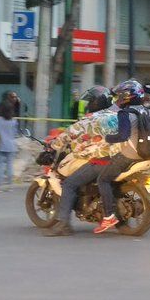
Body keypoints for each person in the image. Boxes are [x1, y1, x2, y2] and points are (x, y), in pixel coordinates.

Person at [42, 86, 119, 237]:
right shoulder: (116, 116)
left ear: (96, 103)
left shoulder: (90, 120)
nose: (88, 104)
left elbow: (67, 135)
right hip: (119, 159)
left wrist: (52, 145)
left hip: (100, 160)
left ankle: (63, 225)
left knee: (69, 184)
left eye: (90, 101)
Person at [93, 79, 150, 232]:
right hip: (145, 154)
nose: (118, 99)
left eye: (120, 96)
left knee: (103, 179)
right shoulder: (144, 110)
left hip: (129, 155)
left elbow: (123, 136)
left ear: (127, 96)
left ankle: (109, 216)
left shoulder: (125, 113)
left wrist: (106, 138)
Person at [0, 100, 19, 193]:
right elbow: (15, 133)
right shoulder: (14, 121)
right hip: (11, 145)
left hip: (1, 144)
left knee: (0, 166)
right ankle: (10, 186)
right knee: (9, 166)